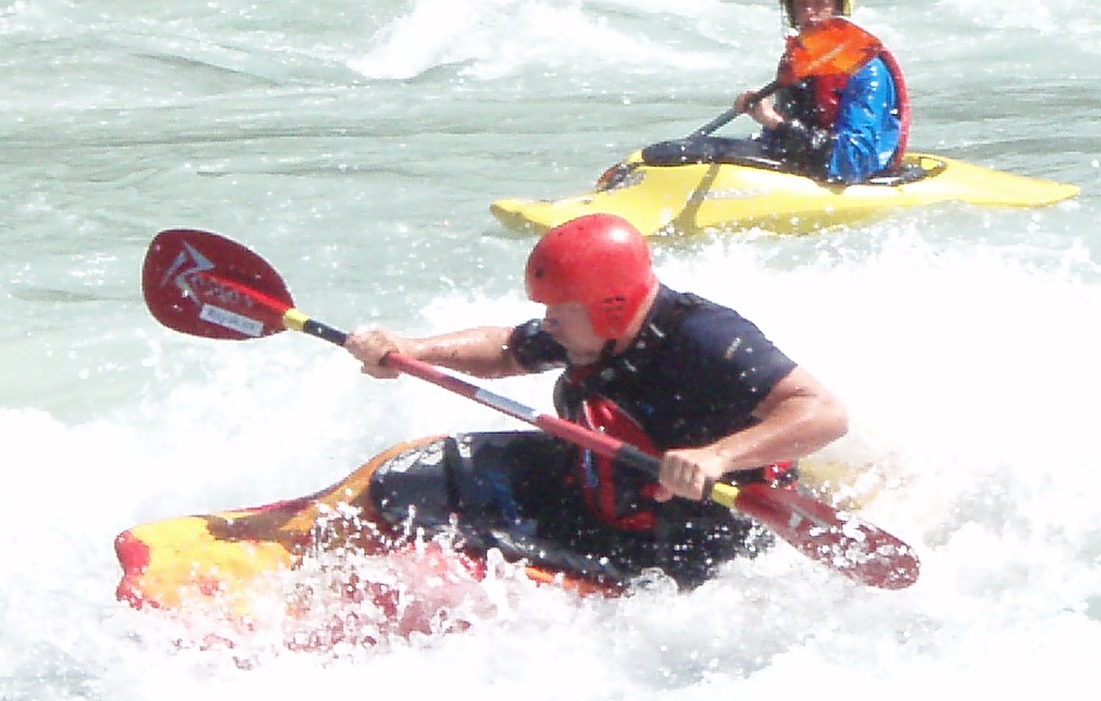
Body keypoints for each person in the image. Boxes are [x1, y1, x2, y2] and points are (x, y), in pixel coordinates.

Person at [340, 213, 849, 590]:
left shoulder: (704, 336)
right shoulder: (585, 328)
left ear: (611, 306)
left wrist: (716, 457)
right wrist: (414, 349)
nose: (548, 324)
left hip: (695, 531)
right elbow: (507, 350)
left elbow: (824, 413)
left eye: (558, 312)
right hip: (602, 487)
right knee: (426, 476)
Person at [733, 0, 910, 184]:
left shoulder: (866, 70)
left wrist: (775, 122)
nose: (810, 14)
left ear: (837, 8)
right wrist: (762, 115)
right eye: (802, 4)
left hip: (857, 177)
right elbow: (780, 144)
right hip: (811, 167)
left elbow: (851, 162)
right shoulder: (794, 63)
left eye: (820, 3)